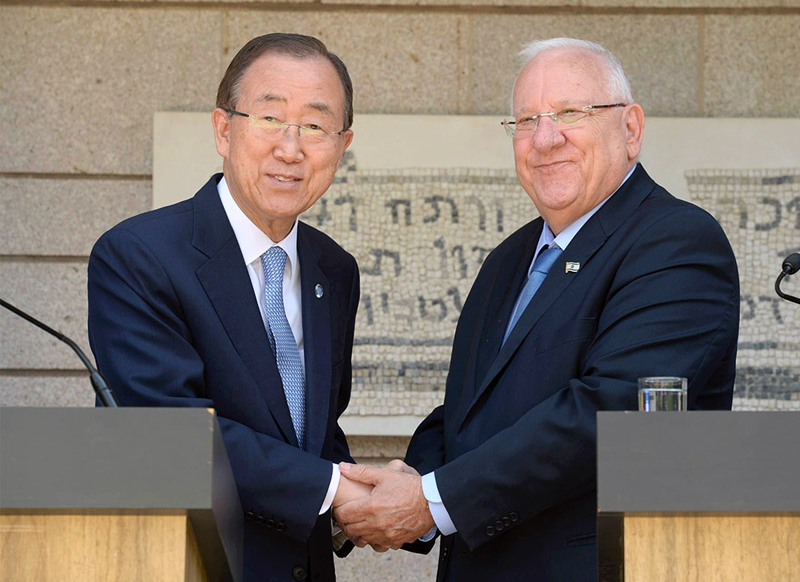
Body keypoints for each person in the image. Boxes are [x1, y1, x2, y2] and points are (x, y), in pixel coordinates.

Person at [333, 37, 740, 581]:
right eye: (526, 121)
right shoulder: (510, 259)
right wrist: (399, 490)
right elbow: (467, 410)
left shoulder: (677, 241)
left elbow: (612, 410)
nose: (545, 139)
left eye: (571, 113)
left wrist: (429, 500)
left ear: (631, 129)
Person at [88, 33, 372, 582]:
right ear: (223, 129)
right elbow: (166, 429)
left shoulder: (334, 270)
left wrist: (364, 501)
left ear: (342, 145)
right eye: (269, 119)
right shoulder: (139, 255)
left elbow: (312, 432)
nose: (291, 148)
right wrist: (336, 490)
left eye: (315, 126)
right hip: (187, 565)